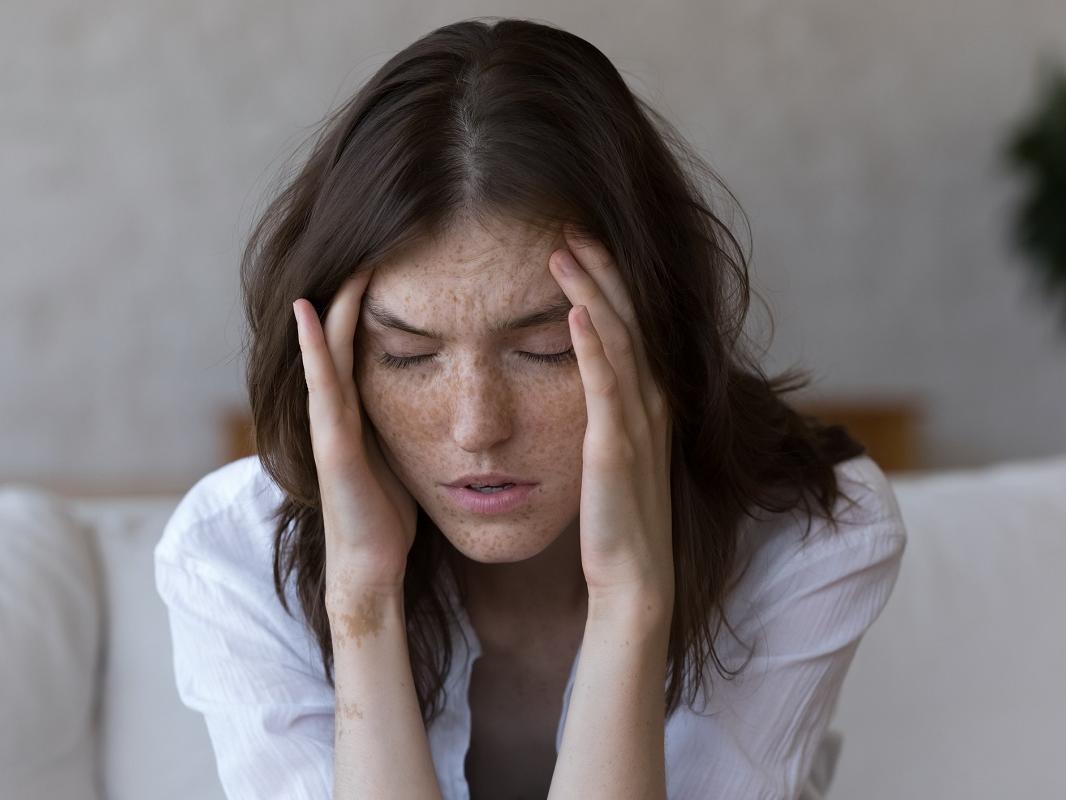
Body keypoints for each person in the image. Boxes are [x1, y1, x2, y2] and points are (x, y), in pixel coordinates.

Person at [154, 16, 907, 800]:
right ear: (336, 366)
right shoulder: (232, 554)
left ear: (655, 332)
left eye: (547, 349)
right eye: (407, 357)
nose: (478, 427)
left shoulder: (809, 536)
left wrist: (629, 604)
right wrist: (364, 606)